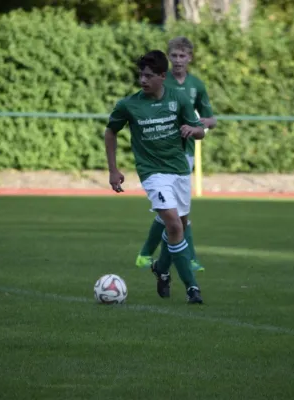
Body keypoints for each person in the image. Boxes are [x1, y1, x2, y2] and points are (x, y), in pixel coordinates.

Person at [104, 49, 205, 304]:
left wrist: (193, 129)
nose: (142, 81)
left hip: (179, 171)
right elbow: (110, 132)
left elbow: (201, 131)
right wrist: (113, 169)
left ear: (162, 76)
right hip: (152, 173)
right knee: (173, 223)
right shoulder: (129, 105)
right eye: (140, 75)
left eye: (148, 76)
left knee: (179, 225)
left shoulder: (178, 99)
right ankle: (192, 288)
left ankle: (161, 268)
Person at [135, 36, 217, 273]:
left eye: (183, 56)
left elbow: (212, 120)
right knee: (175, 214)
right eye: (174, 56)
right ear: (169, 58)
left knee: (179, 214)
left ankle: (148, 255)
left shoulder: (196, 85)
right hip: (160, 155)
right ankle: (186, 258)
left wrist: (199, 125)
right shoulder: (160, 79)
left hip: (185, 153)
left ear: (190, 58)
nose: (178, 60)